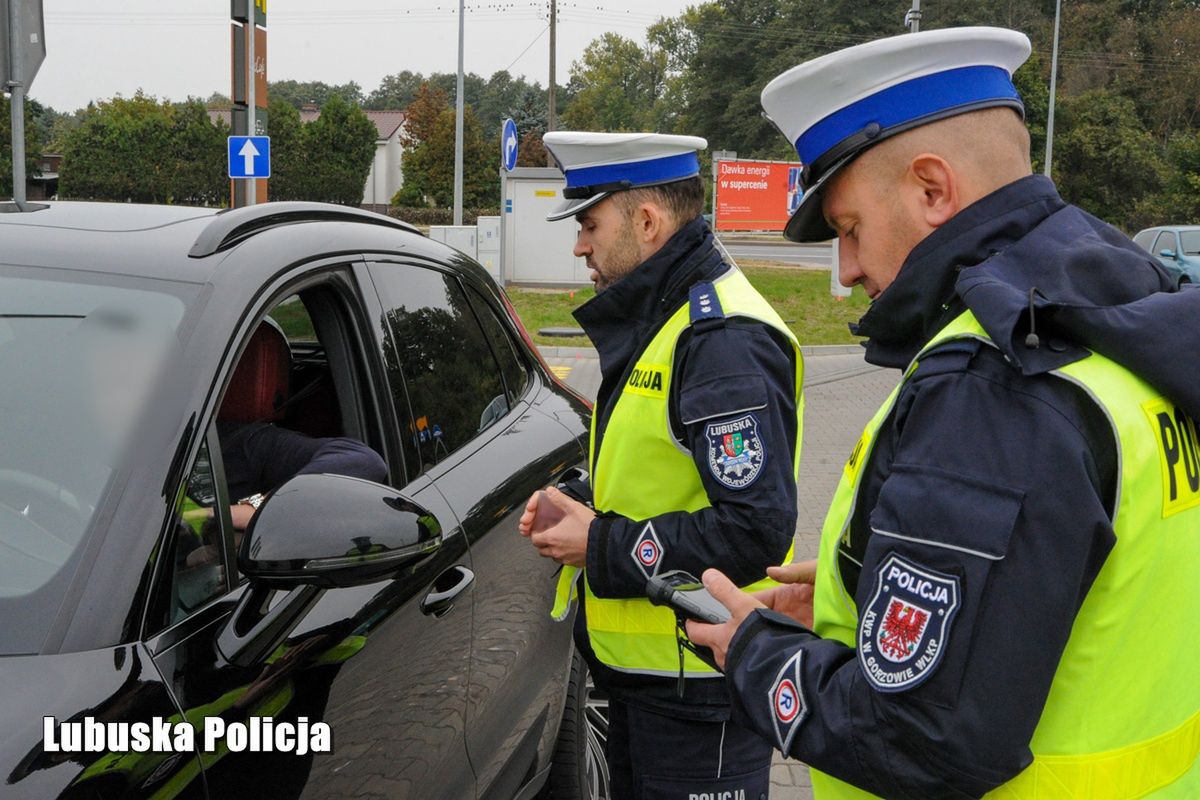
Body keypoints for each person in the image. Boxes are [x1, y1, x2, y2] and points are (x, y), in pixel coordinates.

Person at [686, 26, 1200, 799]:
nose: (846, 270)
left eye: (850, 229)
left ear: (933, 190)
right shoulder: (1126, 318)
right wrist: (862, 587)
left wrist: (758, 653)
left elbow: (924, 741)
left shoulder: (996, 381)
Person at [518, 131, 805, 797]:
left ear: (646, 222)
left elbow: (753, 530)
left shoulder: (722, 340)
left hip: (698, 693)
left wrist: (601, 542)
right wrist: (586, 501)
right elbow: (666, 468)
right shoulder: (668, 314)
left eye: (590, 224)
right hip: (654, 684)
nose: (579, 245)